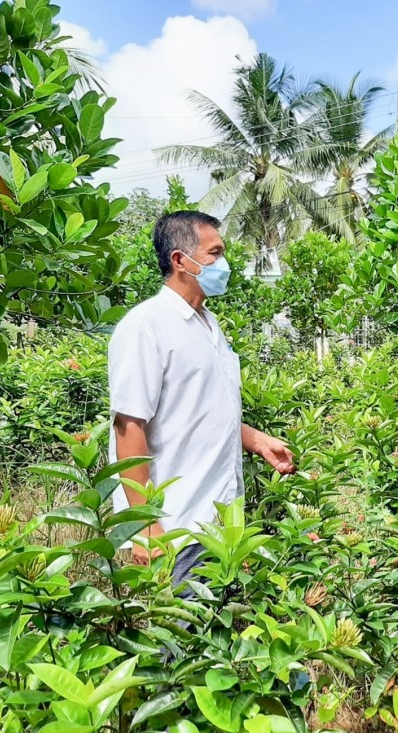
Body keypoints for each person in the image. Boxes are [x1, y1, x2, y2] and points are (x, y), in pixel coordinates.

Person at [108, 210, 296, 579]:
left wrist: (256, 440)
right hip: (176, 526)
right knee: (180, 633)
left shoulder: (209, 325)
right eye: (215, 253)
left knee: (216, 632)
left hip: (221, 522)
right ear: (180, 260)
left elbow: (200, 410)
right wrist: (146, 526)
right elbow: (129, 426)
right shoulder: (146, 326)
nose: (223, 264)